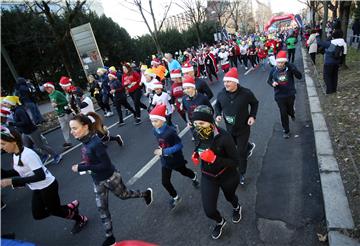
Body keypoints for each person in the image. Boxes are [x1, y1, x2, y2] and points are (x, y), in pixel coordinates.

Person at [69, 114, 153, 246]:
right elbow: (91, 160)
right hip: (97, 181)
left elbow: (105, 165)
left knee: (124, 196)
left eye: (74, 128)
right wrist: (84, 165)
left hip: (110, 178)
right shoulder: (84, 140)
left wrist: (81, 167)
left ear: (85, 127)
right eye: (71, 129)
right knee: (102, 208)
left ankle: (145, 194)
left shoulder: (95, 143)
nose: (72, 132)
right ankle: (110, 238)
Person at [0, 126, 88, 234]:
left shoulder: (28, 155)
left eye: (3, 144)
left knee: (56, 211)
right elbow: (20, 172)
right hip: (37, 187)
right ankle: (69, 207)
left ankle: (81, 219)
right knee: (38, 214)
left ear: (13, 141)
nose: (1, 147)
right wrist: (3, 173)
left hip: (47, 186)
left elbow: (40, 176)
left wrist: (12, 182)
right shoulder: (15, 154)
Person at [191, 105, 242, 240]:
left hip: (227, 175)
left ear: (210, 122)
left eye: (201, 123)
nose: (198, 127)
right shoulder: (196, 133)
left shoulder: (224, 137)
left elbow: (235, 162)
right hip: (208, 177)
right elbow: (199, 145)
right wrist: (196, 153)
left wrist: (215, 159)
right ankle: (220, 221)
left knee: (230, 197)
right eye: (195, 124)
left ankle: (237, 207)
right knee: (209, 210)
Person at [149, 104, 199, 210]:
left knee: (184, 171)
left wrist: (164, 151)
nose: (154, 124)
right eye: (152, 121)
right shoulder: (155, 130)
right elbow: (161, 142)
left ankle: (194, 176)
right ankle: (175, 197)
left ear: (163, 120)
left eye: (156, 121)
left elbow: (179, 145)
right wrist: (161, 151)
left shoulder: (170, 131)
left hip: (176, 159)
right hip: (165, 160)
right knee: (165, 181)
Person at [215, 68, 258, 185]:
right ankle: (249, 147)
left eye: (228, 82)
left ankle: (241, 174)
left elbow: (255, 103)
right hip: (230, 129)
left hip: (243, 128)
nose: (225, 84)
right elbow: (217, 105)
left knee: (240, 152)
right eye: (225, 82)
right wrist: (218, 114)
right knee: (235, 147)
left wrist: (252, 116)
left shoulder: (246, 93)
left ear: (235, 82)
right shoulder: (221, 94)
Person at [2, 96, 62, 165]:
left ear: (11, 103)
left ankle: (56, 156)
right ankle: (43, 156)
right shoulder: (14, 111)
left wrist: (13, 123)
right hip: (25, 132)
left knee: (41, 146)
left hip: (32, 131)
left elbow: (26, 122)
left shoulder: (19, 111)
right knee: (27, 148)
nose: (5, 105)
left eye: (6, 103)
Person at [267, 50, 302, 138]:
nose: (280, 64)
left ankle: (292, 113)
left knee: (289, 110)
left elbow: (299, 76)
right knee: (283, 113)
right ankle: (286, 130)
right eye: (278, 62)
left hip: (290, 94)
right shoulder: (273, 70)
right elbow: (269, 81)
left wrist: (290, 66)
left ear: (285, 62)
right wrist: (273, 84)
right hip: (279, 96)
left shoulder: (290, 68)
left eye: (282, 62)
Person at [316, 29, 347, 94]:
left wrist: (317, 36)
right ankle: (334, 89)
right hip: (337, 62)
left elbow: (319, 42)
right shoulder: (344, 43)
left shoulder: (331, 43)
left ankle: (329, 90)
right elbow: (344, 54)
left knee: (326, 76)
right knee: (334, 76)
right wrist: (340, 62)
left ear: (334, 35)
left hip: (328, 62)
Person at [43, 82, 72, 149]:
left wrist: (58, 104)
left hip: (65, 113)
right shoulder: (50, 95)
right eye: (46, 89)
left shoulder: (58, 93)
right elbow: (53, 103)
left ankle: (83, 134)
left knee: (73, 125)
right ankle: (68, 142)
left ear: (52, 87)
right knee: (64, 129)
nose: (47, 90)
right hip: (59, 115)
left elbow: (66, 101)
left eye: (48, 88)